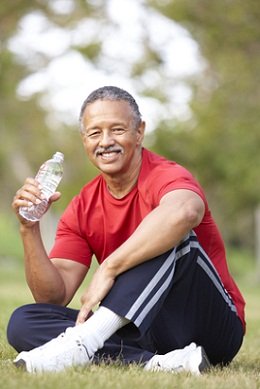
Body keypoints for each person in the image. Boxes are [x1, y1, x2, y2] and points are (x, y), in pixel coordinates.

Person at [8, 86, 245, 374]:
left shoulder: (166, 175)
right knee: (25, 322)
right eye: (95, 133)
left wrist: (109, 267)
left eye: (117, 129)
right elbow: (53, 297)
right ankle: (158, 364)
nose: (106, 141)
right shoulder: (83, 206)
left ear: (139, 132)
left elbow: (184, 211)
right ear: (84, 140)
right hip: (142, 330)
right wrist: (29, 229)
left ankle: (83, 342)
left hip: (209, 327)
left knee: (173, 235)